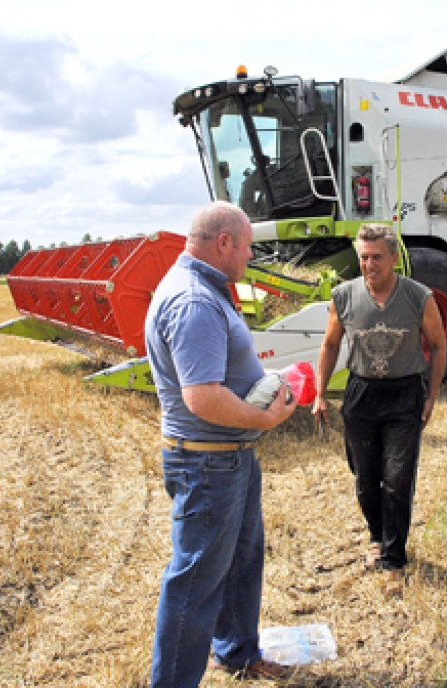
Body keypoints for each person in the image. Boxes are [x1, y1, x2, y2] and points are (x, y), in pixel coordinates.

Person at [145, 201, 298, 687]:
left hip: (228, 459)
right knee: (193, 585)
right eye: (248, 246)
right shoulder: (194, 302)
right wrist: (265, 416)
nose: (252, 255)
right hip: (207, 466)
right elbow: (203, 397)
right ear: (224, 243)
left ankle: (236, 652)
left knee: (240, 559)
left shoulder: (207, 291)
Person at [312, 223, 447, 595]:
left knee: (398, 478)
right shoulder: (343, 296)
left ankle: (393, 558)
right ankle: (377, 535)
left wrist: (431, 395)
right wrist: (321, 393)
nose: (369, 264)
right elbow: (329, 345)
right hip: (361, 394)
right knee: (365, 478)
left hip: (405, 395)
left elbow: (438, 346)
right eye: (363, 257)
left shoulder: (419, 297)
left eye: (376, 257)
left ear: (392, 259)